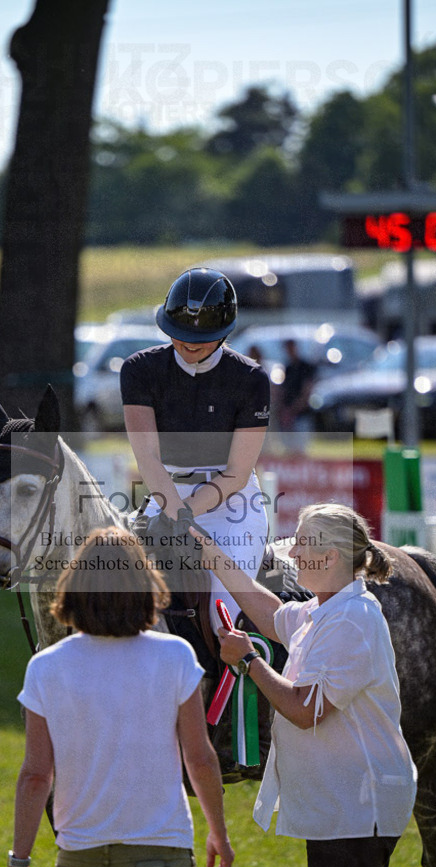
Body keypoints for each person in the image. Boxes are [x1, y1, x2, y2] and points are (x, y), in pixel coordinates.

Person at [189, 503, 417, 867]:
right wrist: (209, 552)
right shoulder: (325, 609)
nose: (291, 552)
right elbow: (268, 610)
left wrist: (249, 661)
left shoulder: (354, 619)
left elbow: (304, 709)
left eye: (303, 543)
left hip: (361, 804)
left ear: (331, 556)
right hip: (343, 803)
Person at [3, 526, 234, 867]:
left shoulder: (44, 668)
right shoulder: (175, 656)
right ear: (145, 584)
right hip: (161, 860)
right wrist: (218, 832)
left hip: (80, 865)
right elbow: (200, 759)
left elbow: (35, 777)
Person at [120, 267, 271, 633]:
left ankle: (237, 683)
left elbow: (236, 473)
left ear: (224, 334)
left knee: (224, 615)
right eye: (179, 336)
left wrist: (184, 516)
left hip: (231, 508)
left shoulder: (250, 380)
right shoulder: (139, 370)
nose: (188, 345)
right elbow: (148, 459)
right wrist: (174, 514)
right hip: (164, 495)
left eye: (200, 339)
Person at [278, 338, 316, 431]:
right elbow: (283, 391)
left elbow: (307, 391)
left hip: (302, 414)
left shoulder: (305, 367)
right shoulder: (288, 368)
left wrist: (293, 410)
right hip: (289, 415)